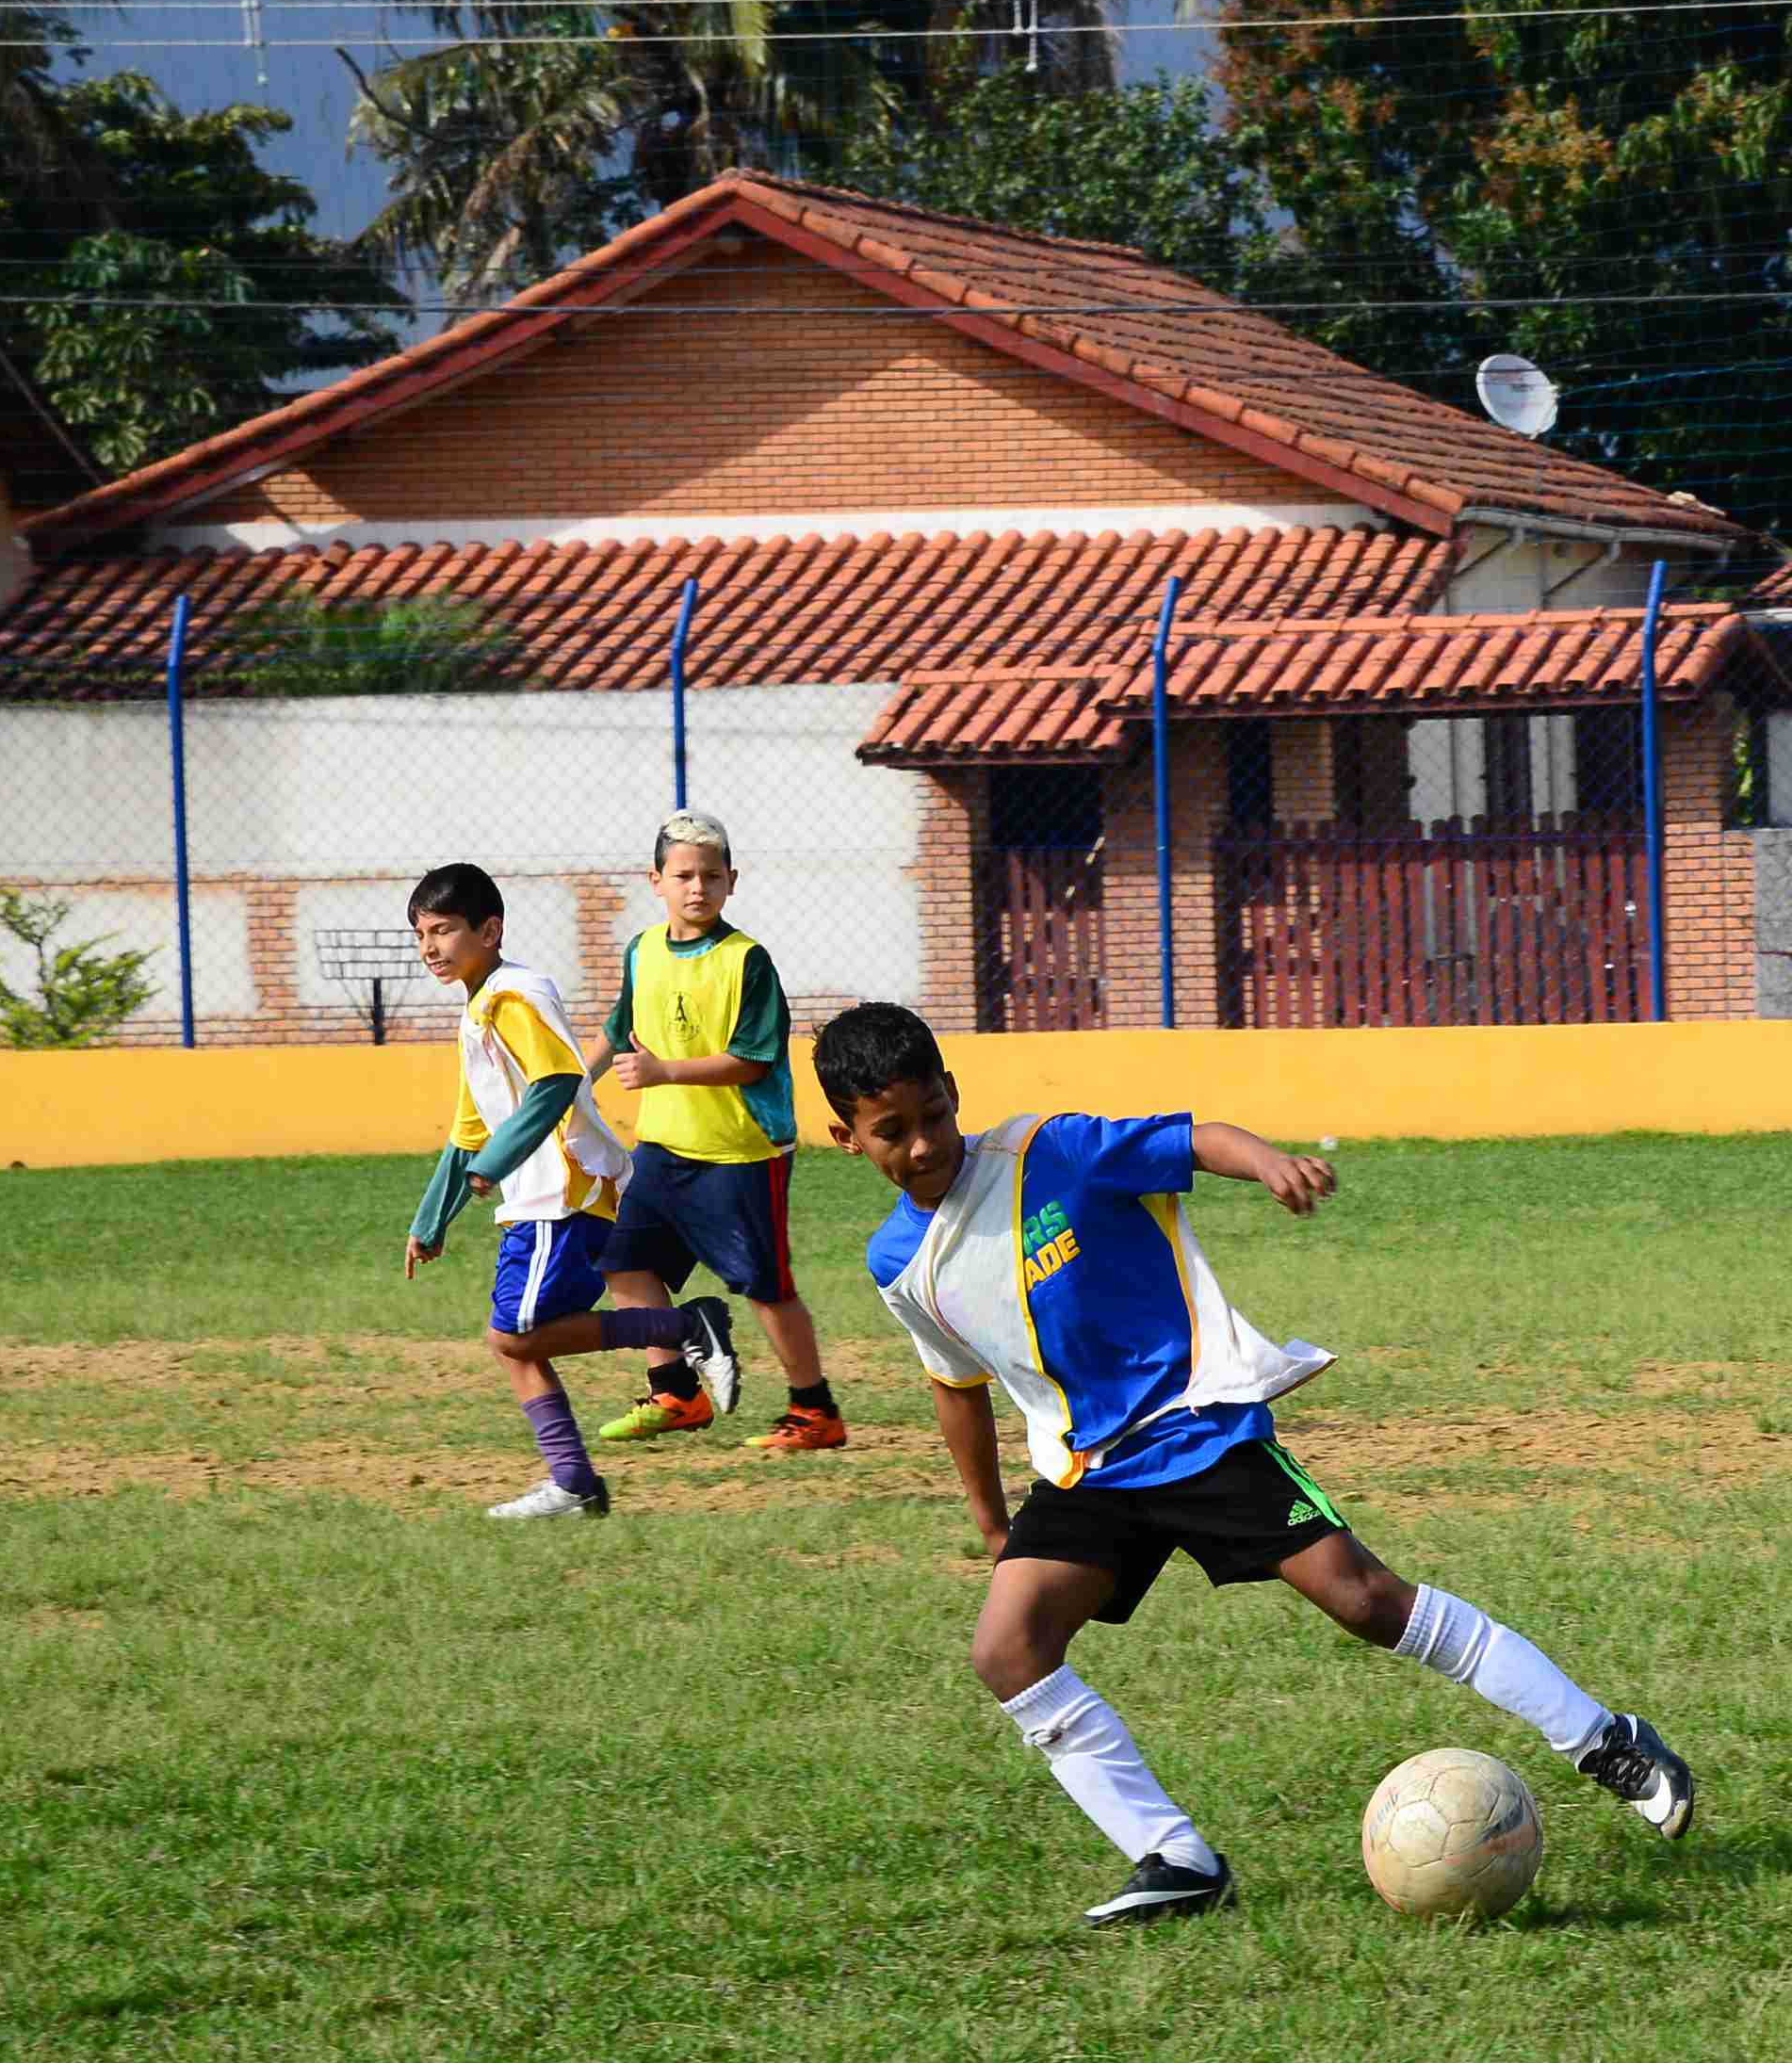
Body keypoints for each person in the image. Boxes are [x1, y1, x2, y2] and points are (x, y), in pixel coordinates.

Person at [809, 1002, 1702, 1928]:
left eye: (933, 1117)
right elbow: (956, 1383)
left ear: (955, 1094)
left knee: (1364, 1597)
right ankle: (1178, 1858)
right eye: (892, 1131)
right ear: (847, 1137)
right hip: (1091, 1472)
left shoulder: (1050, 1152)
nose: (921, 1145)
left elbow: (1192, 1138)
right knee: (1007, 1650)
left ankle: (1605, 1739)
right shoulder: (897, 1260)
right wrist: (992, 1520)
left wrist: (1268, 1160)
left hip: (1198, 1427)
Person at [399, 863, 735, 1520]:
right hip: (540, 1198)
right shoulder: (479, 1010)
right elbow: (470, 1130)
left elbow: (555, 1084)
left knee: (520, 1332)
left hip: (563, 1191)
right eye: (420, 935)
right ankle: (574, 1483)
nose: (429, 948)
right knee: (512, 1341)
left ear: (489, 930)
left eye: (443, 930)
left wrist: (493, 1166)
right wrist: (431, 1220)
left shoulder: (514, 996)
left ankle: (686, 1325)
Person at [585, 812, 843, 1453]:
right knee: (622, 1265)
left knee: (766, 1287)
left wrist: (664, 1070)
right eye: (683, 875)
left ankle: (814, 1412)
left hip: (742, 1151)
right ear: (656, 880)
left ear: (732, 882)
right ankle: (676, 1391)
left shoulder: (746, 961)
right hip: (663, 1147)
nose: (696, 887)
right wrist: (569, 1090)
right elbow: (621, 1027)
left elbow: (754, 1059)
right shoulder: (642, 950)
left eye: (710, 875)